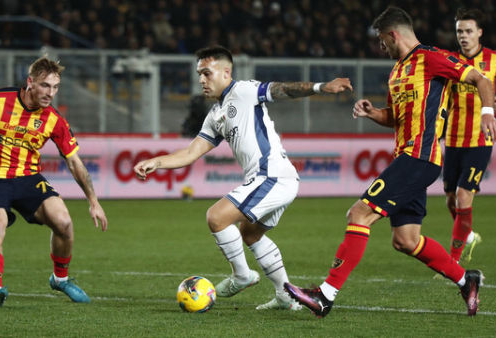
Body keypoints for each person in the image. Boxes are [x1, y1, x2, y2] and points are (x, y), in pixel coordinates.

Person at [284, 6, 496, 318]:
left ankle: (325, 295)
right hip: (407, 157)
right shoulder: (397, 71)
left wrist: (487, 113)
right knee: (406, 239)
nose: (380, 47)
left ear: (392, 34)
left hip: (420, 157)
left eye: (380, 40)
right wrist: (374, 113)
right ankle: (466, 279)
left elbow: (481, 80)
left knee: (359, 213)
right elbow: (396, 118)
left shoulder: (432, 57)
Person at [134, 46, 352, 310]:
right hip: (271, 179)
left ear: (226, 72)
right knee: (250, 233)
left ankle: (242, 275)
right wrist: (156, 161)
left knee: (216, 217)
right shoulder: (215, 115)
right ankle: (285, 296)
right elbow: (192, 152)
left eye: (206, 73)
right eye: (199, 74)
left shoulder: (244, 91)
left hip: (273, 175)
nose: (201, 80)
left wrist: (320, 87)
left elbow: (283, 89)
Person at [0, 56, 108, 307]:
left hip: (28, 178)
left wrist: (93, 200)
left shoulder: (54, 119)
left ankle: (60, 279)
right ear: (30, 82)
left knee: (64, 222)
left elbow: (74, 161)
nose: (51, 93)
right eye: (46, 85)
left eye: (56, 87)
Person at [442, 8, 496, 265]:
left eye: (468, 31)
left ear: (479, 33)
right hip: (452, 139)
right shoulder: (449, 60)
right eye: (460, 31)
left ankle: (454, 259)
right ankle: (468, 234)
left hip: (480, 139)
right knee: (450, 198)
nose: (463, 36)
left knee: (463, 195)